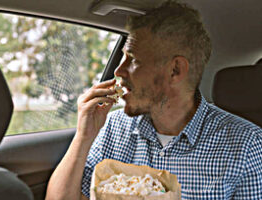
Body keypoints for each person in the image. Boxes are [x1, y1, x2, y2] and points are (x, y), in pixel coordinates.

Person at [45, 1, 262, 199]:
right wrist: (84, 136)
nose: (119, 71)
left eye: (134, 60)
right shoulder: (114, 127)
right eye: (122, 58)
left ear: (175, 70)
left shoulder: (248, 145)